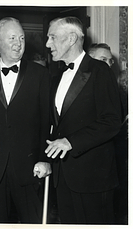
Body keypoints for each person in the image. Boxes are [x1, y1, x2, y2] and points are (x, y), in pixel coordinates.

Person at [0, 17, 51, 223]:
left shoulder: (40, 74)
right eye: (12, 37)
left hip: (29, 166)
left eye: (22, 38)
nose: (18, 43)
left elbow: (46, 120)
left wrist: (44, 158)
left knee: (33, 220)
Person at [45, 16, 122, 224]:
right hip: (63, 178)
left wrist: (71, 142)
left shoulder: (100, 71)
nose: (47, 44)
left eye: (52, 37)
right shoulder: (57, 77)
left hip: (93, 179)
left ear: (71, 39)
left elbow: (112, 120)